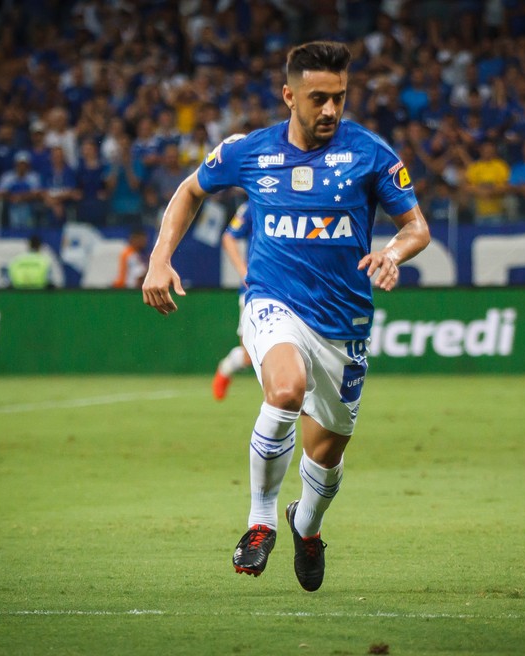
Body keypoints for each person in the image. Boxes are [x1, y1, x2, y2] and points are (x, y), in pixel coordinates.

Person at [142, 41, 431, 592]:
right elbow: (188, 191)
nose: (330, 110)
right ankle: (261, 522)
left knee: (326, 455)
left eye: (339, 98)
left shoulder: (371, 153)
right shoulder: (250, 151)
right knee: (284, 390)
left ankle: (307, 526)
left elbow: (416, 226)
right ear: (289, 95)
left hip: (343, 325)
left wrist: (392, 252)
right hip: (273, 303)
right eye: (318, 98)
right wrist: (160, 259)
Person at [212, 201, 254, 401]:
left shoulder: (300, 204)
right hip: (255, 290)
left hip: (292, 290)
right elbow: (229, 237)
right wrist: (242, 270)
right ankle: (225, 368)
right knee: (250, 356)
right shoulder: (253, 205)